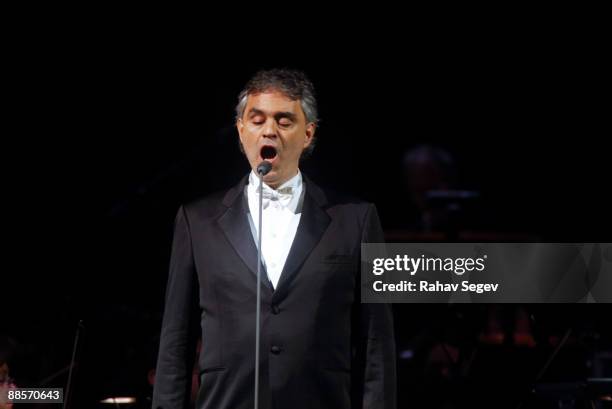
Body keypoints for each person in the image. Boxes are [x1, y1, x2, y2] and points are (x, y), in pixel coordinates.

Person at [153, 69, 396, 409]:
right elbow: (176, 342)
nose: (269, 130)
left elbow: (376, 344)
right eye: (257, 120)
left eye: (284, 121)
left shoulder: (355, 219)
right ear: (241, 130)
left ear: (308, 133)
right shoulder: (197, 221)